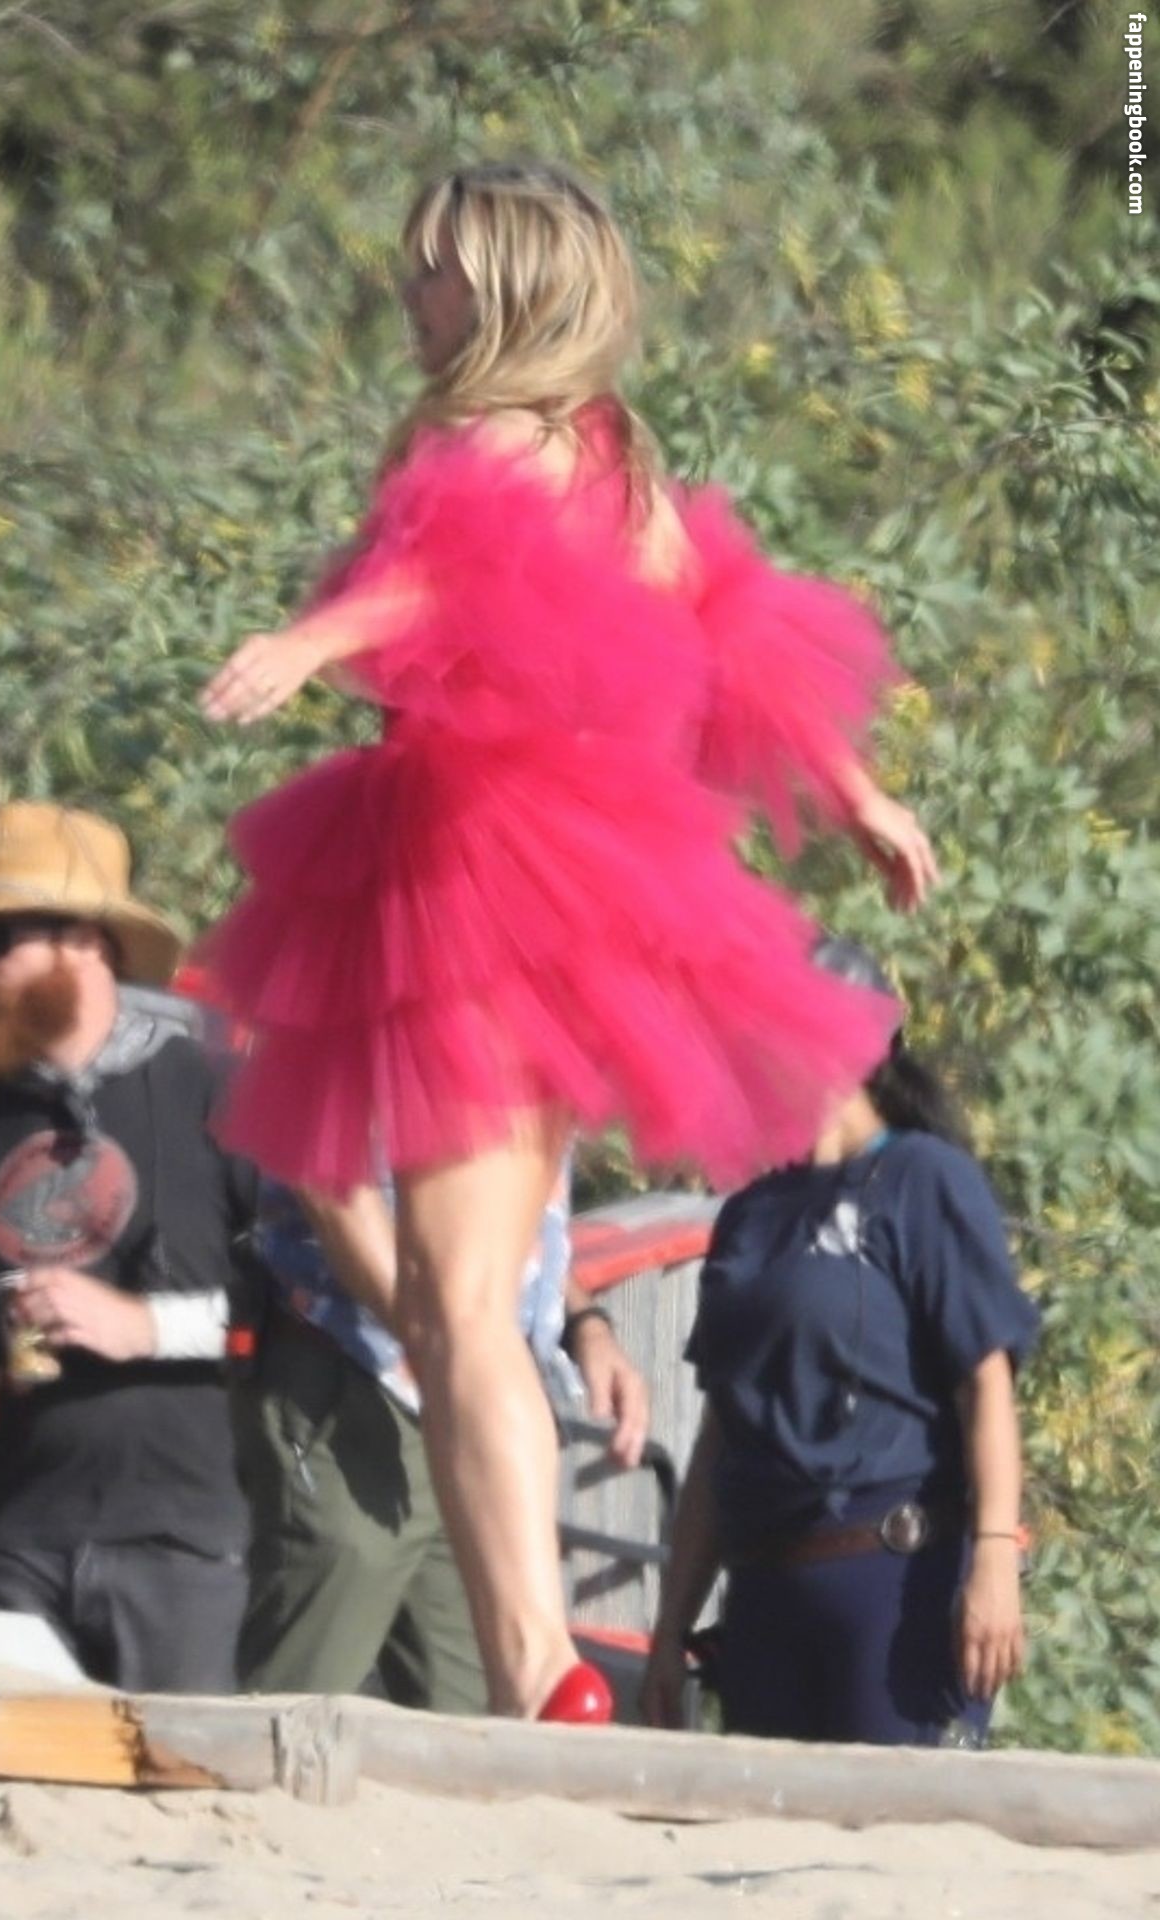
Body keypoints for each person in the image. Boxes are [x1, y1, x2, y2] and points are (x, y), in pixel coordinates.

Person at [199, 160, 937, 1721]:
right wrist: (858, 791)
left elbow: (441, 581)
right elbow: (732, 631)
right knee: (467, 1299)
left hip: (475, 871)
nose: (410, 295)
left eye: (434, 270)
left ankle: (540, 1666)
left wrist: (310, 634)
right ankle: (533, 1662)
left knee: (457, 1300)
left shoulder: (490, 435)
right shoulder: (612, 459)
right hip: (581, 903)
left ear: (511, 286)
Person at [0, 803, 252, 1692]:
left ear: (84, 942)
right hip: (9, 1537)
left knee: (174, 1774)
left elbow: (288, 1308)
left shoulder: (216, 1097)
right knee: (9, 1774)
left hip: (177, 1541)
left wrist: (143, 1327)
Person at [641, 938, 1039, 1746]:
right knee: (761, 1827)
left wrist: (995, 1558)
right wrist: (669, 1627)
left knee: (891, 1822)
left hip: (889, 1587)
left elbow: (985, 1382)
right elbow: (721, 1432)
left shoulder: (923, 1178)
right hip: (764, 1595)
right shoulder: (750, 1215)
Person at [232, 1172, 648, 1710]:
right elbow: (327, 1177)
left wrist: (585, 1321)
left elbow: (503, 1216)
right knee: (297, 1708)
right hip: (357, 1384)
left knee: (482, 1717)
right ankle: (546, 1676)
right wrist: (446, 1346)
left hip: (480, 1407)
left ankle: (542, 1679)